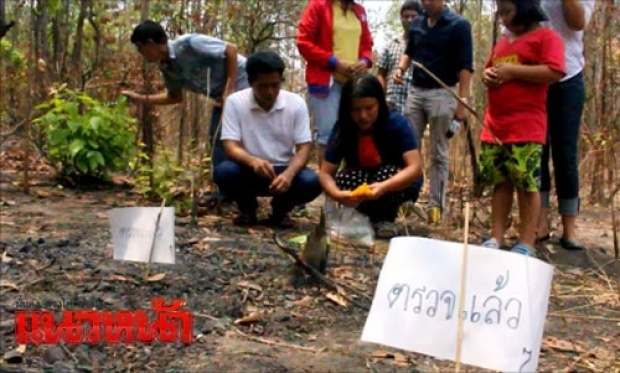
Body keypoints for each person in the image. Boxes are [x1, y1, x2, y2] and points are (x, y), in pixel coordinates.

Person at [479, 0, 566, 256]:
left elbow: (555, 71)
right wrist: (488, 76)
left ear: (526, 8)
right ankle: (496, 236)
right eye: (501, 12)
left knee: (526, 183)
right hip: (495, 124)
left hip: (526, 125)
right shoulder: (504, 42)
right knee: (500, 181)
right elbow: (489, 69)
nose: (503, 18)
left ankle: (527, 240)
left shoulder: (546, 37)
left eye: (508, 12)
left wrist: (513, 72)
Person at [213, 51, 322, 227]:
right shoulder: (235, 102)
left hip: (284, 171)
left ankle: (280, 210)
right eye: (263, 86)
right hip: (249, 170)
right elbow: (230, 145)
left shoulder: (296, 103)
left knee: (312, 182)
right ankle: (247, 209)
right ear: (250, 82)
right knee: (224, 172)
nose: (270, 92)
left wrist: (289, 174)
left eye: (275, 85)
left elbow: (304, 148)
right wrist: (252, 161)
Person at [122, 20, 249, 170]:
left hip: (246, 83)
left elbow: (231, 50)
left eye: (140, 48)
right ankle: (225, 189)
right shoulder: (166, 67)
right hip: (222, 99)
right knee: (217, 137)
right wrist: (140, 98)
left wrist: (229, 88)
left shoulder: (188, 43)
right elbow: (174, 97)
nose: (141, 53)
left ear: (150, 43)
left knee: (246, 135)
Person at [393, 0, 473, 224]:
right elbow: (409, 51)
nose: (426, 2)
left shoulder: (459, 25)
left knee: (438, 150)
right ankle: (406, 198)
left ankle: (436, 206)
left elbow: (466, 66)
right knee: (408, 147)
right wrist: (401, 68)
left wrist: (462, 102)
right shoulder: (417, 23)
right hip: (416, 91)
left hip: (443, 91)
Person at [319, 74, 424, 239]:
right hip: (363, 182)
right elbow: (326, 173)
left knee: (387, 174)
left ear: (379, 104)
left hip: (394, 183)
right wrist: (336, 194)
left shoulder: (397, 123)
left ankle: (387, 218)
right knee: (346, 179)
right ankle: (365, 217)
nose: (363, 116)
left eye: (369, 108)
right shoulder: (342, 129)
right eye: (356, 110)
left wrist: (384, 186)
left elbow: (415, 167)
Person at [537, 0, 596, 251]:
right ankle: (539, 223)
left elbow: (577, 22)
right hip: (534, 76)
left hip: (568, 76)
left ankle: (569, 228)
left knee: (565, 154)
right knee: (537, 151)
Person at [296, 0, 374, 162]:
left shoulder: (360, 11)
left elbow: (367, 43)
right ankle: (327, 184)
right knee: (328, 135)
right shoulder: (318, 6)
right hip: (326, 83)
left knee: (355, 132)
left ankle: (351, 181)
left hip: (353, 84)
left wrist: (365, 61)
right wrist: (334, 62)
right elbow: (303, 42)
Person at [376, 0, 422, 114]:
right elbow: (381, 74)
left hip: (416, 105)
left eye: (413, 16)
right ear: (401, 18)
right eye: (406, 16)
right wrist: (382, 98)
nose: (409, 20)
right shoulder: (390, 45)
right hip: (391, 104)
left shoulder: (426, 47)